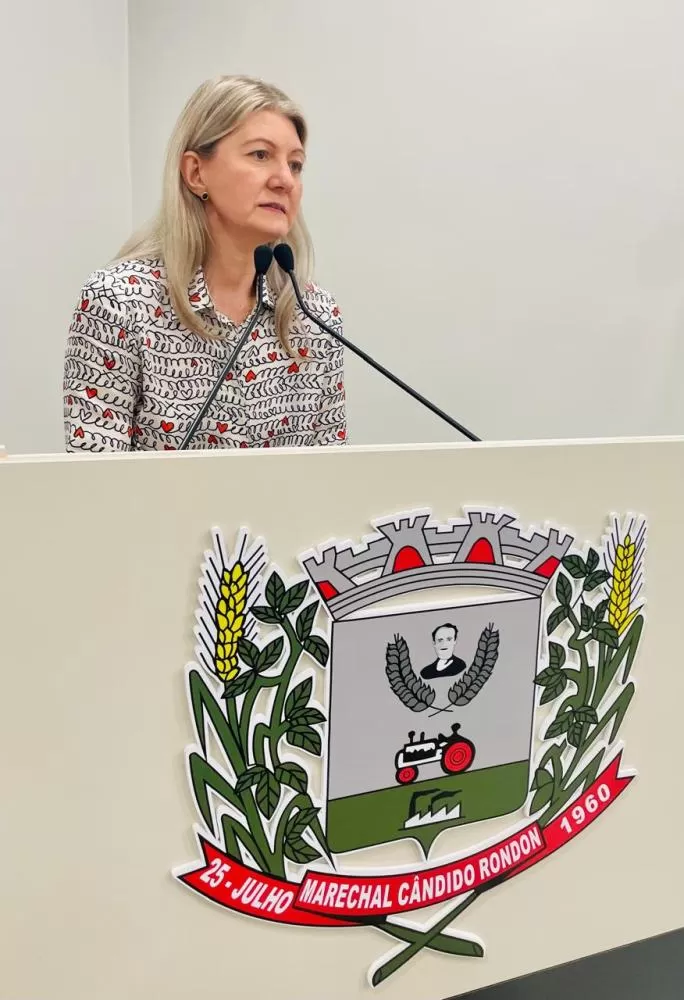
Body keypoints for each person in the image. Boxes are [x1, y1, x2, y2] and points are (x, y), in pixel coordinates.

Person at [62, 75, 346, 452]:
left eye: (295, 165)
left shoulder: (314, 316)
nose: (285, 181)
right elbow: (96, 487)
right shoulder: (118, 302)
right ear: (196, 173)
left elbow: (332, 482)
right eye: (261, 155)